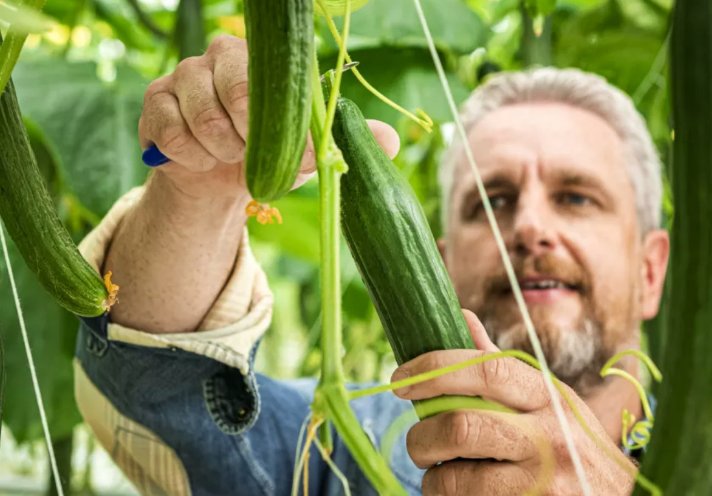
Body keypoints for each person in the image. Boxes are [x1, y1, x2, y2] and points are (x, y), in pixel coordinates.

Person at [73, 33, 678, 495]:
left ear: (651, 269)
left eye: (577, 198)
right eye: (489, 203)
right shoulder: (334, 444)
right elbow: (164, 398)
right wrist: (195, 195)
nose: (529, 229)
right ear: (436, 261)